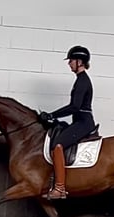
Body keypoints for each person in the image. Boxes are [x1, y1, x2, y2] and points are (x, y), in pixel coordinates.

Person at [39, 45, 97, 200]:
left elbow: (75, 107)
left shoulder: (82, 81)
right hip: (80, 120)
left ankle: (59, 188)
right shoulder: (80, 80)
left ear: (80, 61)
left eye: (71, 60)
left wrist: (52, 114)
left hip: (84, 122)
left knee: (58, 146)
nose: (69, 63)